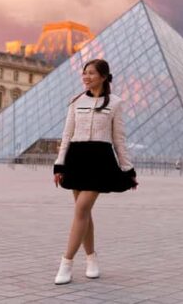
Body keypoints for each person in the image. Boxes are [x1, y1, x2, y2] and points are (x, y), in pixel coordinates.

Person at [52, 59, 137, 285]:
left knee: (81, 209)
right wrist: (59, 165)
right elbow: (66, 135)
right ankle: (91, 259)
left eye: (91, 73)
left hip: (100, 162)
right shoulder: (75, 101)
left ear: (103, 76)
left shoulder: (115, 103)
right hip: (76, 159)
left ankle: (66, 263)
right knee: (84, 213)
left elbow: (119, 139)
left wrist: (128, 169)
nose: (86, 77)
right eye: (84, 73)